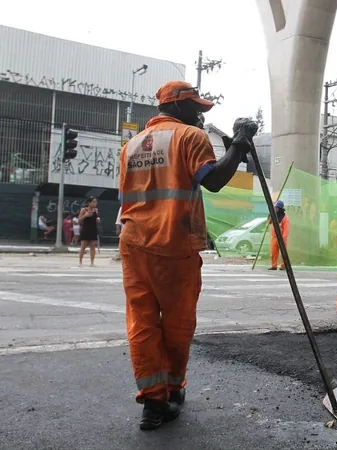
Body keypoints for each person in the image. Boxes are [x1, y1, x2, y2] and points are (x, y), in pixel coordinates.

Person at [118, 80, 257, 430]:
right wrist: (239, 144)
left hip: (133, 244)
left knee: (142, 324)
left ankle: (153, 403)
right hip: (173, 243)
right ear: (177, 106)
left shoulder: (130, 145)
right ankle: (173, 391)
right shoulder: (190, 137)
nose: (199, 113)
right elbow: (213, 180)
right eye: (195, 107)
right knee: (177, 326)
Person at [268, 200, 290, 270]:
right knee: (273, 253)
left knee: (283, 253)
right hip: (274, 237)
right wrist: (270, 215)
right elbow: (269, 222)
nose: (275, 209)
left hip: (282, 238)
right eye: (274, 208)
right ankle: (274, 266)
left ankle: (283, 265)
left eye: (276, 208)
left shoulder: (285, 218)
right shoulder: (274, 216)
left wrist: (283, 238)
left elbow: (286, 229)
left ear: (280, 209)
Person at [78, 197, 100, 266]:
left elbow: (96, 218)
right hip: (85, 229)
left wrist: (98, 220)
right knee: (83, 246)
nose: (95, 203)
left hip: (93, 229)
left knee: (92, 246)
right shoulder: (84, 210)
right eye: (93, 202)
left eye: (95, 202)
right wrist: (85, 216)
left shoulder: (96, 210)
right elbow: (79, 220)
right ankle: (80, 262)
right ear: (89, 203)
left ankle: (92, 262)